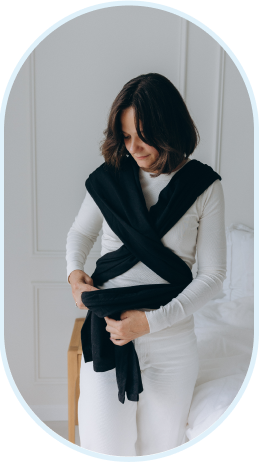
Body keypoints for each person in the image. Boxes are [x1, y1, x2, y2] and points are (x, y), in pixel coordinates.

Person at [66, 73, 227, 457]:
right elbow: (79, 235)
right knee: (103, 446)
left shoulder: (204, 187)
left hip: (172, 346)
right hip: (107, 335)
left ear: (169, 127)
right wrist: (74, 275)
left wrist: (150, 323)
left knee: (160, 449)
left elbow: (214, 276)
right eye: (125, 136)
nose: (133, 147)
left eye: (143, 135)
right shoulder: (110, 180)